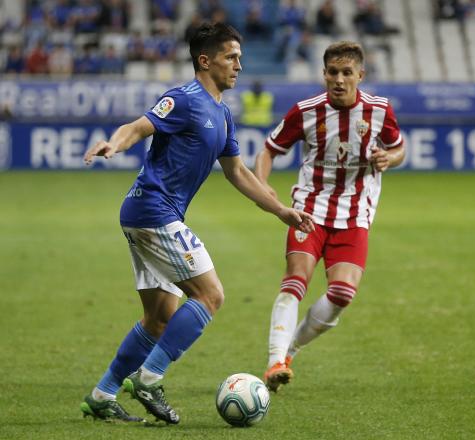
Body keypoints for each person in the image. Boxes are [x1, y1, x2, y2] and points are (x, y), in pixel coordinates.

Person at [79, 22, 314, 424]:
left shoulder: (222, 114)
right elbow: (139, 127)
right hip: (154, 211)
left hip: (149, 214)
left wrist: (281, 210)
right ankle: (150, 379)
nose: (238, 65)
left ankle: (103, 394)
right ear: (205, 61)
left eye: (240, 57)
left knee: (158, 318)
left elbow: (238, 173)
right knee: (211, 295)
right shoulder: (184, 99)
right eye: (231, 57)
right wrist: (113, 144)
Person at [254, 41, 405, 392]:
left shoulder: (380, 110)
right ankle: (274, 359)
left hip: (355, 214)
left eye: (346, 73)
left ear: (360, 75)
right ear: (323, 74)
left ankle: (289, 349)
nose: (339, 79)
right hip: (309, 209)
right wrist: (262, 185)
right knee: (295, 280)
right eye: (332, 72)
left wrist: (390, 158)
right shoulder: (306, 111)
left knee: (342, 294)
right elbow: (269, 149)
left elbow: (398, 146)